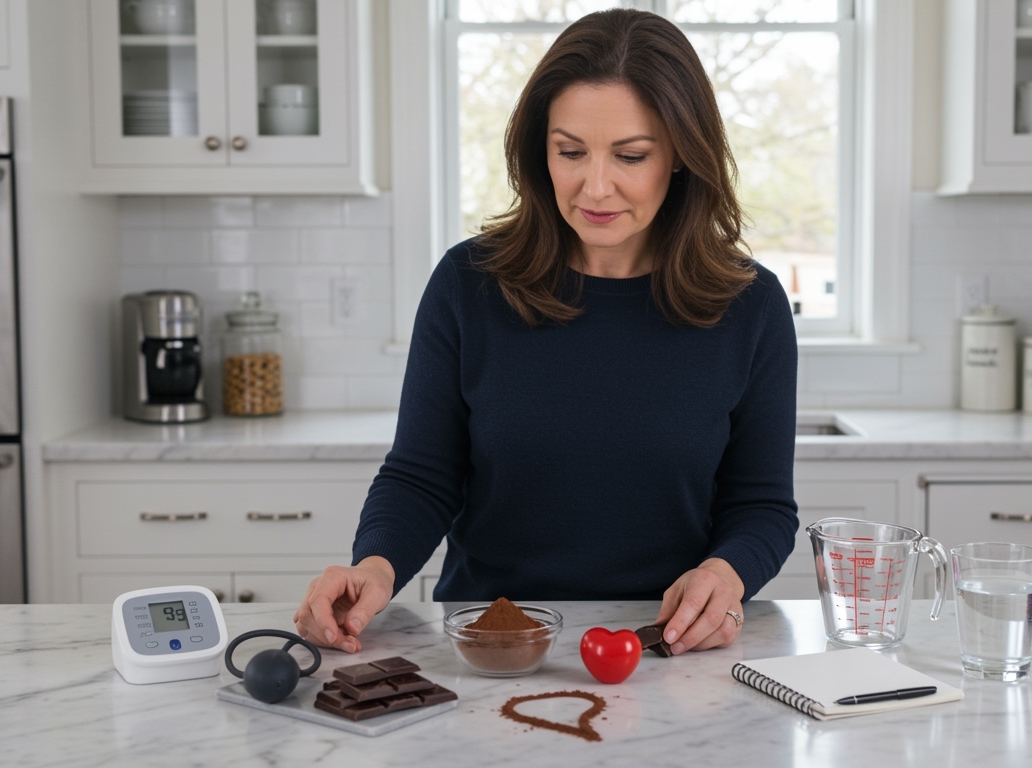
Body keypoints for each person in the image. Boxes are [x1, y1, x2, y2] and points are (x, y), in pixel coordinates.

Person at [295, 8, 797, 657]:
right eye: (570, 151)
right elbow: (423, 475)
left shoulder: (749, 304)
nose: (595, 185)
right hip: (493, 644)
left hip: (664, 647)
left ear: (680, 154)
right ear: (541, 150)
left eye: (631, 155)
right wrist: (375, 567)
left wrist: (725, 576)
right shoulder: (467, 284)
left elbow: (761, 505)